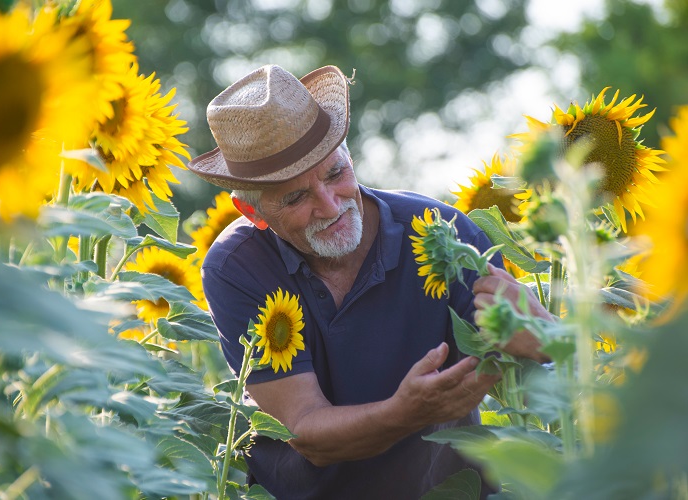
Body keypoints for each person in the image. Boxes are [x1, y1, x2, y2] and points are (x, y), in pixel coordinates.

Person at [187, 64, 551, 499]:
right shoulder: (238, 268)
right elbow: (307, 430)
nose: (329, 205)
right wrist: (404, 412)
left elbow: (537, 378)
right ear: (252, 213)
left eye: (335, 174)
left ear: (349, 156)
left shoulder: (439, 233)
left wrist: (543, 335)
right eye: (296, 197)